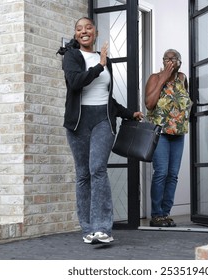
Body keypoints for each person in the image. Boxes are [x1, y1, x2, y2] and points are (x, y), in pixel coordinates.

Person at [57, 17, 143, 244]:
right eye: (78, 29)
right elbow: (75, 82)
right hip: (78, 122)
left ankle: (102, 227)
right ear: (76, 34)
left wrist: (128, 113)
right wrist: (99, 66)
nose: (83, 31)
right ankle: (87, 228)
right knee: (83, 175)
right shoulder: (72, 56)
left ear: (95, 32)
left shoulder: (106, 62)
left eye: (88, 27)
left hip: (102, 121)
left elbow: (107, 99)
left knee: (97, 169)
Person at [145, 49, 192, 227]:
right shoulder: (155, 78)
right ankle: (156, 215)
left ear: (180, 62)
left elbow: (185, 101)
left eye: (174, 58)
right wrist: (163, 79)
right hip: (160, 132)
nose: (171, 60)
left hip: (178, 133)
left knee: (173, 175)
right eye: (167, 58)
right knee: (161, 173)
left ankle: (165, 213)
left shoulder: (182, 78)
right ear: (162, 61)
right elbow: (149, 104)